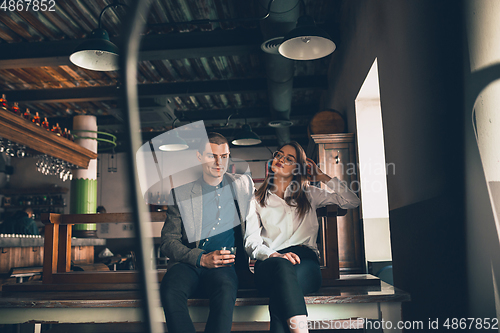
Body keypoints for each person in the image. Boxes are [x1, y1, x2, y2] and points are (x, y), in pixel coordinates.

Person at [244, 141, 360, 333]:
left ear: (298, 168)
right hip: (270, 263)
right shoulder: (257, 200)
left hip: (305, 264)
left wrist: (322, 176)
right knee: (282, 267)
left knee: (280, 292)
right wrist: (275, 256)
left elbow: (352, 201)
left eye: (289, 159)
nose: (281, 159)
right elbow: (251, 243)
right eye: (279, 154)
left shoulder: (309, 194)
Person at [159, 132, 254, 333]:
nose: (219, 162)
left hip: (225, 265)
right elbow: (168, 241)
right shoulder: (181, 194)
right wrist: (201, 258)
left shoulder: (241, 187)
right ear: (199, 156)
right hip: (188, 264)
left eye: (224, 156)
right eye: (212, 156)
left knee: (226, 290)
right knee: (169, 291)